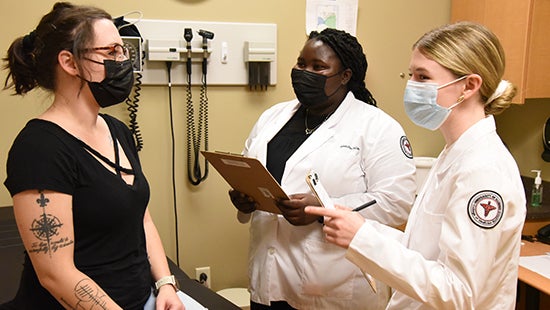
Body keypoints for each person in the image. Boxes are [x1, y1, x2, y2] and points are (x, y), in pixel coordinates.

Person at [305, 21, 526, 309]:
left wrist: (362, 240)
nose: (411, 87)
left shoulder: (483, 169)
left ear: (469, 85)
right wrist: (362, 229)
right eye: (410, 75)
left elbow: (459, 293)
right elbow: (423, 252)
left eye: (423, 77)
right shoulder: (454, 154)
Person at [1, 2, 184, 309]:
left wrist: (166, 284)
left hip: (143, 298)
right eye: (110, 52)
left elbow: (141, 218)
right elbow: (55, 274)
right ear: (70, 63)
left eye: (123, 50)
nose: (123, 61)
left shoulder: (117, 131)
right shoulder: (39, 148)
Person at [229, 28, 416, 309]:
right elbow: (252, 172)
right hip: (268, 280)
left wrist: (322, 208)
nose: (305, 72)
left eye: (319, 67)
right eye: (301, 64)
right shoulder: (272, 118)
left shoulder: (378, 128)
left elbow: (396, 202)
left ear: (345, 76)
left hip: (332, 286)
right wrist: (245, 200)